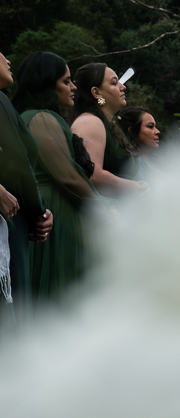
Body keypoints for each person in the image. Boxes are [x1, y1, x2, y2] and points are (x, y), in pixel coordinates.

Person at [12, 52, 99, 300]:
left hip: (55, 212)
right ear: (47, 83)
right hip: (54, 217)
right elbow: (67, 176)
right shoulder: (41, 118)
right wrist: (103, 206)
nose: (73, 87)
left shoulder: (44, 117)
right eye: (66, 81)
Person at [0, 48, 53, 324]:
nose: (8, 60)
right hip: (12, 217)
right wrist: (39, 211)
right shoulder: (3, 103)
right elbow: (16, 163)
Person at [69, 62, 146, 196]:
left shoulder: (107, 124)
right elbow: (93, 175)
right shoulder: (90, 122)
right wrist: (135, 186)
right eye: (114, 83)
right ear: (96, 92)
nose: (123, 87)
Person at [115, 106, 161, 180]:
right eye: (150, 126)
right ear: (132, 132)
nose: (158, 131)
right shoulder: (131, 166)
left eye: (155, 126)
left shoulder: (158, 161)